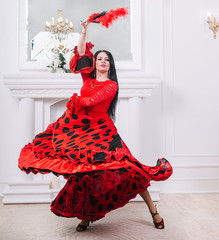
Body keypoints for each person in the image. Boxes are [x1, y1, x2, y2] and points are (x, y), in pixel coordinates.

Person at [18, 19, 173, 232]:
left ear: (110, 65)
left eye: (106, 59)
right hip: (83, 132)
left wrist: (75, 101)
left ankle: (154, 211)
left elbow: (90, 102)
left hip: (104, 133)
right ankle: (86, 217)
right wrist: (83, 31)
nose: (102, 61)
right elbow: (81, 55)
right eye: (99, 58)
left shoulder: (111, 85)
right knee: (85, 174)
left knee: (131, 170)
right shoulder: (87, 79)